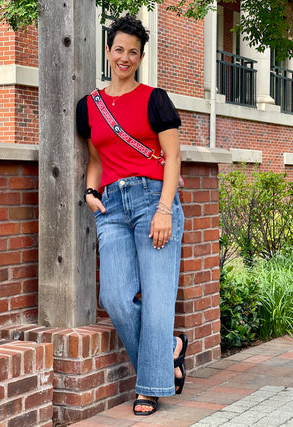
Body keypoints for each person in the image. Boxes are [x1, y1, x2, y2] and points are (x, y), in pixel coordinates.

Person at [76, 15, 187, 416]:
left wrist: (163, 211)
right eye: (118, 49)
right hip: (111, 209)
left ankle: (149, 388)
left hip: (153, 200)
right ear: (108, 51)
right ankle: (168, 349)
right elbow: (95, 158)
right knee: (116, 298)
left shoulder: (155, 99)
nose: (124, 57)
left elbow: (173, 157)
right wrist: (90, 192)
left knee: (157, 300)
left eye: (133, 52)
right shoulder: (89, 106)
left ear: (141, 58)